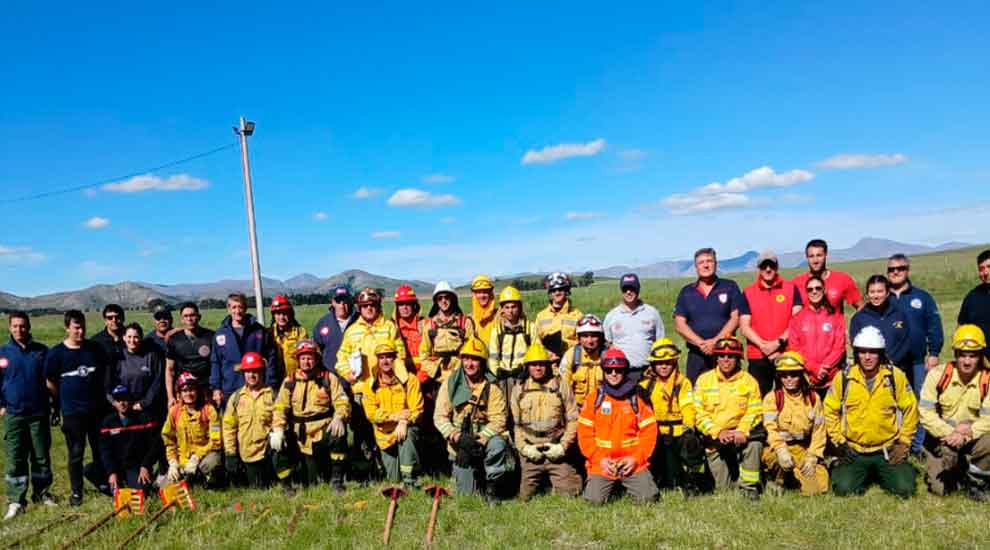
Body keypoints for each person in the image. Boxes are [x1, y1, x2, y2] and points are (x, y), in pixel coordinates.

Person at [824, 326, 918, 498]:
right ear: (856, 353)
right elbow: (829, 411)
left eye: (873, 352)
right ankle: (844, 468)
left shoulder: (894, 376)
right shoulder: (844, 378)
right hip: (854, 450)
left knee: (905, 490)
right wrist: (840, 442)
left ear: (880, 353)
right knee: (843, 489)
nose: (867, 357)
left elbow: (911, 409)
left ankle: (892, 471)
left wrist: (904, 442)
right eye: (863, 352)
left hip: (887, 449)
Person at [336, 288, 407, 481]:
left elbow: (400, 356)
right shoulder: (352, 331)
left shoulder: (389, 327)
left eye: (372, 305)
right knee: (362, 433)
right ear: (359, 308)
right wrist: (347, 374)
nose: (369, 308)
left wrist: (395, 381)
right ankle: (366, 473)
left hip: (386, 390)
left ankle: (392, 469)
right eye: (365, 306)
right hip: (361, 391)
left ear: (378, 306)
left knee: (387, 428)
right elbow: (341, 357)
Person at [44, 309, 109, 506]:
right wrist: (62, 400)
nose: (81, 331)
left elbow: (103, 375)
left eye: (83, 327)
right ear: (67, 328)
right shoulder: (56, 353)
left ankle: (103, 482)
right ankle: (76, 491)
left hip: (96, 410)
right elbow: (50, 382)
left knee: (100, 450)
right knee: (76, 453)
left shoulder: (94, 349)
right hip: (73, 412)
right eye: (76, 328)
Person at [577, 348, 659, 505]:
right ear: (604, 372)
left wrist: (635, 459)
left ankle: (629, 482)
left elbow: (649, 432)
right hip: (603, 462)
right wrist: (600, 459)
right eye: (609, 370)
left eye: (618, 370)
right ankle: (611, 484)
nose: (613, 374)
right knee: (594, 501)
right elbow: (584, 434)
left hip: (631, 462)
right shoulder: (595, 398)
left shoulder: (637, 397)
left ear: (625, 371)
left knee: (648, 499)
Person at [918, 325, 990, 500]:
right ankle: (959, 469)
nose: (967, 361)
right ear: (955, 354)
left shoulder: (987, 379)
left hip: (972, 437)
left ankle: (977, 479)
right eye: (962, 355)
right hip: (942, 438)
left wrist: (967, 434)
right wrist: (951, 433)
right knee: (941, 490)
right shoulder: (937, 375)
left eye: (972, 356)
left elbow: (989, 418)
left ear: (980, 356)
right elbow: (925, 413)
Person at [434, 337, 510, 503]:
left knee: (498, 444)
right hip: (460, 446)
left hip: (484, 442)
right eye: (466, 359)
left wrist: (479, 440)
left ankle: (493, 488)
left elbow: (499, 420)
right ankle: (466, 476)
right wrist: (458, 437)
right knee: (467, 497)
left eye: (474, 359)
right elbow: (439, 417)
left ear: (482, 362)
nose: (469, 364)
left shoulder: (492, 387)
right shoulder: (450, 383)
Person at [692, 337, 765, 499]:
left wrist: (742, 430)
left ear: (738, 358)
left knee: (755, 445)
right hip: (715, 438)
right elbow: (698, 413)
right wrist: (717, 432)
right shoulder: (704, 380)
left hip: (741, 435)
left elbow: (755, 411)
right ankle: (730, 480)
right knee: (724, 490)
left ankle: (749, 488)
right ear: (716, 358)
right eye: (722, 356)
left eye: (731, 356)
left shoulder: (749, 381)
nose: (726, 360)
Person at [272, 340, 350, 490]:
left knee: (338, 434)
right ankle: (287, 486)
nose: (306, 362)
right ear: (298, 360)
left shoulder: (329, 378)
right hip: (298, 435)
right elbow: (280, 407)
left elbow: (342, 401)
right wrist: (278, 429)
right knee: (276, 443)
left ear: (316, 359)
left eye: (310, 358)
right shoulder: (290, 381)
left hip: (322, 431)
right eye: (303, 358)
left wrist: (339, 417)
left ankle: (337, 481)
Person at [886, 254, 944, 455]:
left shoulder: (922, 297)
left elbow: (934, 325)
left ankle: (917, 446)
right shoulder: (883, 297)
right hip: (891, 362)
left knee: (920, 402)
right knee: (892, 403)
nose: (895, 272)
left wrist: (934, 352)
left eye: (900, 268)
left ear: (908, 270)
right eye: (891, 269)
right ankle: (895, 444)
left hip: (918, 361)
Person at [510, 343, 581, 501]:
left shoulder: (561, 385)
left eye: (541, 364)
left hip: (555, 449)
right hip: (531, 450)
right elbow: (516, 425)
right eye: (533, 364)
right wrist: (524, 448)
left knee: (571, 494)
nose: (538, 368)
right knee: (524, 497)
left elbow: (573, 419)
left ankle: (556, 480)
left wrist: (562, 446)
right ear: (527, 367)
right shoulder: (519, 389)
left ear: (548, 365)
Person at [1, 312, 54, 519]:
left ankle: (42, 493)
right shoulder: (3, 353)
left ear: (29, 327)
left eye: (22, 326)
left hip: (38, 413)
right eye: (15, 326)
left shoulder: (41, 351)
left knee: (41, 456)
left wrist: (54, 405)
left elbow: (51, 381)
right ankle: (16, 500)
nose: (19, 330)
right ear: (9, 328)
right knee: (15, 458)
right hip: (14, 414)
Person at [760, 352, 828, 496]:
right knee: (777, 461)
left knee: (817, 489)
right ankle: (775, 479)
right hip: (778, 449)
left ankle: (791, 479)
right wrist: (780, 450)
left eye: (793, 375)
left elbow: (819, 431)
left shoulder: (813, 398)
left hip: (803, 449)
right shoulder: (773, 398)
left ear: (801, 375)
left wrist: (813, 456)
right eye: (784, 375)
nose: (788, 379)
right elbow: (770, 429)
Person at [639, 338, 702, 492]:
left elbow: (687, 406)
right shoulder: (645, 385)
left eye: (668, 362)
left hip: (678, 432)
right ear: (653, 364)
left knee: (691, 444)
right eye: (660, 363)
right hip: (654, 433)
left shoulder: (682, 382)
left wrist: (689, 426)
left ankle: (693, 482)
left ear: (674, 362)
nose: (664, 366)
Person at [674, 248, 744, 383]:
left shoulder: (730, 286)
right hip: (697, 354)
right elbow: (679, 324)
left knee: (729, 391)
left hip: (726, 353)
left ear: (716, 264)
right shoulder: (686, 292)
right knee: (697, 391)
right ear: (696, 267)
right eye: (701, 262)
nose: (706, 265)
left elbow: (736, 318)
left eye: (709, 261)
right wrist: (701, 344)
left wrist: (716, 341)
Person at [740, 251, 803, 396]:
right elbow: (744, 327)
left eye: (771, 265)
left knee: (789, 396)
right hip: (758, 355)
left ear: (777, 267)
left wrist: (777, 343)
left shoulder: (791, 289)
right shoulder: (748, 293)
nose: (768, 269)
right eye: (764, 266)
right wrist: (764, 346)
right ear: (759, 268)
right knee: (758, 397)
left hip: (786, 352)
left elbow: (797, 322)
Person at [363, 342, 423, 486]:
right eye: (381, 357)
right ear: (377, 360)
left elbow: (417, 409)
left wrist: (404, 421)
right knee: (394, 479)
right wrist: (395, 416)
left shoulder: (410, 380)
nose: (385, 361)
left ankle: (410, 480)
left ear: (396, 359)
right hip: (384, 436)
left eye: (389, 357)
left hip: (404, 428)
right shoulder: (370, 384)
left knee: (408, 434)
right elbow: (371, 414)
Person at [222, 352, 275, 488]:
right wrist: (230, 453)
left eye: (255, 371)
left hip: (269, 453)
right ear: (243, 373)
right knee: (255, 488)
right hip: (247, 454)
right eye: (248, 371)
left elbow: (281, 421)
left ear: (262, 372)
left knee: (274, 485)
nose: (251, 375)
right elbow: (229, 428)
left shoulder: (273, 395)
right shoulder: (236, 398)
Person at [787, 275, 846, 397]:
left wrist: (825, 368)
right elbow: (794, 348)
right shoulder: (797, 318)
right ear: (806, 292)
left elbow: (839, 347)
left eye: (818, 288)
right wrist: (814, 368)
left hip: (831, 379)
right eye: (810, 289)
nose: (814, 292)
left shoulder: (836, 317)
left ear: (824, 290)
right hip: (806, 379)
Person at [161, 372, 223, 487]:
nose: (188, 394)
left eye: (192, 390)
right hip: (182, 461)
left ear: (197, 391)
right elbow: (169, 440)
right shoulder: (174, 412)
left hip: (204, 457)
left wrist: (197, 457)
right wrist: (173, 462)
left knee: (212, 463)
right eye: (184, 390)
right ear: (179, 393)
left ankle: (207, 481)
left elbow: (216, 441)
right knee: (165, 487)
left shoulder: (209, 410)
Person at [99, 385, 162, 496]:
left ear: (131, 400)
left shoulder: (144, 418)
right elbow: (105, 451)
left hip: (135, 466)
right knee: (89, 470)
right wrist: (111, 472)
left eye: (125, 399)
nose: (122, 403)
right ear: (113, 403)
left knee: (142, 492)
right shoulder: (107, 422)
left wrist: (145, 465)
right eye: (118, 400)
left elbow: (155, 446)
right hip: (116, 466)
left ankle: (124, 487)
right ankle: (113, 486)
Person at [487, 286, 537, 419]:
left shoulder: (530, 328)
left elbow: (536, 352)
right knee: (503, 409)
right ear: (502, 309)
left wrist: (527, 370)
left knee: (524, 408)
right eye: (507, 307)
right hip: (503, 377)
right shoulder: (497, 331)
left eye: (514, 306)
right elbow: (493, 356)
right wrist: (496, 372)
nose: (510, 311)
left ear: (519, 307)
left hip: (523, 376)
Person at [210, 293, 267, 409]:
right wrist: (216, 388)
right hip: (230, 387)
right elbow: (216, 362)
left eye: (240, 307)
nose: (237, 311)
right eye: (234, 307)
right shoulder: (221, 334)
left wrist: (270, 382)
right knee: (231, 419)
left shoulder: (258, 330)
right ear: (228, 309)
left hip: (256, 387)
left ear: (246, 308)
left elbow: (269, 357)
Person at [603, 273, 664, 381]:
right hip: (621, 372)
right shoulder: (612, 316)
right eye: (625, 289)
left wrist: (656, 365)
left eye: (632, 288)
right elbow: (607, 343)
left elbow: (660, 342)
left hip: (648, 371)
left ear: (638, 289)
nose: (628, 292)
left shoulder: (652, 313)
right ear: (621, 290)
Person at [849, 275, 912, 375]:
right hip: (869, 372)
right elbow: (856, 345)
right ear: (867, 294)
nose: (876, 296)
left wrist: (891, 361)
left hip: (897, 368)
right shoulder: (859, 318)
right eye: (872, 292)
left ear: (887, 293)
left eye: (880, 291)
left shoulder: (899, 314)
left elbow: (905, 341)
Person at [419, 282, 475, 386]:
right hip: (438, 378)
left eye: (446, 297)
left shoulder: (465, 323)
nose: (443, 301)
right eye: (440, 298)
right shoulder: (430, 326)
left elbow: (471, 352)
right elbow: (423, 354)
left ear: (452, 299)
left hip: (461, 375)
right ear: (436, 301)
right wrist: (436, 372)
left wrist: (458, 371)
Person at [108, 323, 164, 421]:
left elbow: (157, 381)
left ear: (141, 338)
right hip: (123, 408)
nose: (132, 340)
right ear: (124, 338)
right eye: (129, 337)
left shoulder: (151, 356)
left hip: (145, 408)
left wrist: (144, 403)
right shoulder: (118, 357)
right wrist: (115, 402)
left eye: (136, 337)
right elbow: (109, 382)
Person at [791, 238, 864, 313]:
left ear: (826, 255)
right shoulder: (796, 284)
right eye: (811, 256)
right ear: (807, 258)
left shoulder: (843, 279)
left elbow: (860, 307)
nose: (815, 260)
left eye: (819, 255)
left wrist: (858, 320)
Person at [165, 302, 214, 409]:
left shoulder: (211, 336)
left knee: (208, 417)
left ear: (199, 317)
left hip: (206, 390)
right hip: (184, 391)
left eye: (192, 315)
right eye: (186, 316)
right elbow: (169, 370)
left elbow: (217, 365)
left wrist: (217, 389)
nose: (189, 319)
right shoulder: (174, 339)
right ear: (181, 319)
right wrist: (170, 396)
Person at [559, 314, 606, 407]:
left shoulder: (608, 355)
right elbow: (564, 389)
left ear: (600, 337)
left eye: (594, 336)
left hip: (602, 407)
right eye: (585, 336)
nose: (590, 341)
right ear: (579, 338)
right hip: (577, 408)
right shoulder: (571, 355)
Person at [535, 272, 582, 362]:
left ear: (567, 291)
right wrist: (547, 353)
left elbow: (582, 343)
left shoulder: (577, 315)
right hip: (547, 363)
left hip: (570, 362)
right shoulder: (541, 316)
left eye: (560, 289)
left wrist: (565, 347)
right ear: (550, 293)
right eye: (553, 290)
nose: (557, 293)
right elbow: (536, 341)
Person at [266, 294, 308, 392]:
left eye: (284, 313)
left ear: (290, 314)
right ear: (273, 315)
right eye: (278, 314)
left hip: (296, 381)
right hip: (275, 383)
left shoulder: (300, 332)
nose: (281, 317)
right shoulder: (268, 334)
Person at [313, 284, 358, 372]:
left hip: (355, 375)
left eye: (345, 300)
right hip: (331, 376)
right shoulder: (323, 323)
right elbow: (317, 349)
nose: (342, 304)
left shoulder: (360, 320)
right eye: (338, 300)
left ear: (350, 301)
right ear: (333, 302)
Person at [958, 249, 990, 356]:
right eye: (981, 269)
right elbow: (961, 328)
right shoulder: (972, 297)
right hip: (981, 359)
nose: (985, 272)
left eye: (989, 267)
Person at [392, 284, 425, 377]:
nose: (405, 307)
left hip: (425, 375)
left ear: (414, 305)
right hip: (400, 376)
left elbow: (432, 355)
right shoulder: (392, 328)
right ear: (397, 307)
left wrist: (422, 376)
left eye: (408, 303)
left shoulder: (425, 325)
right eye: (401, 304)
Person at [470, 275, 498, 347]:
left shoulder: (500, 316)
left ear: (491, 293)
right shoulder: (469, 320)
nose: (482, 296)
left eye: (485, 292)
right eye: (478, 292)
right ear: (474, 295)